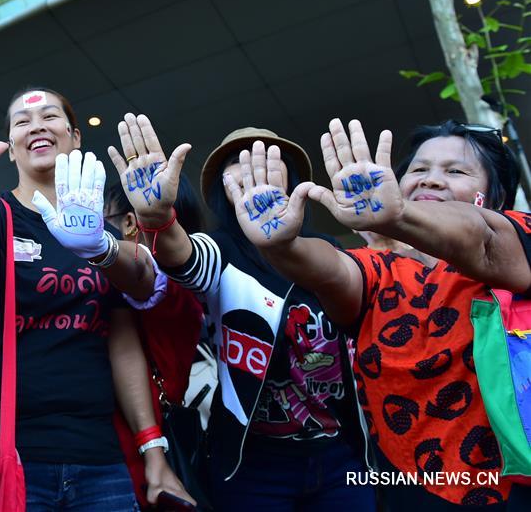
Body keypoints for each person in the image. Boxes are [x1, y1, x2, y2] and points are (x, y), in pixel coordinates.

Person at [0, 69, 186, 510]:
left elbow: (125, 334)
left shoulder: (101, 225)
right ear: (11, 149)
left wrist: (153, 451)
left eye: (49, 116)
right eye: (22, 121)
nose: (36, 125)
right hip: (0, 454)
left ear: (75, 137)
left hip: (97, 457)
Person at [225, 118, 528, 509]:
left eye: (455, 171)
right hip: (407, 484)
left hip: (513, 485)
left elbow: (481, 238)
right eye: (419, 169)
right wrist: (282, 247)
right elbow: (332, 270)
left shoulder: (516, 236)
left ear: (493, 196)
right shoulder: (381, 269)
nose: (430, 180)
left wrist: (398, 217)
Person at [107, 117, 374, 511]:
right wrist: (155, 218)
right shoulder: (220, 250)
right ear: (221, 189)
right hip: (252, 465)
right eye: (237, 161)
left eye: (270, 157)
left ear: (292, 178)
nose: (253, 165)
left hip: (342, 458)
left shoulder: (326, 247)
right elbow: (182, 257)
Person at [104, 175, 205, 508]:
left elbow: (148, 279)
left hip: (137, 469)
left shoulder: (173, 294)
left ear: (130, 223)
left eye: (102, 220)